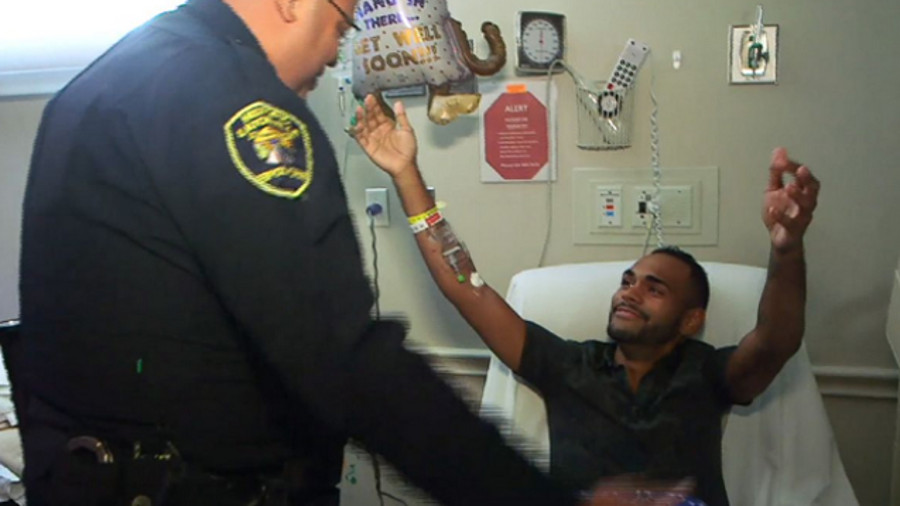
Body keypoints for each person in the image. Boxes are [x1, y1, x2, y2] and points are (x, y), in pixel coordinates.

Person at [16, 0, 695, 505]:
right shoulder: (238, 102)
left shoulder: (95, 89)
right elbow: (345, 359)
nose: (334, 57)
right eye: (340, 26)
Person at [352, 93, 821, 506]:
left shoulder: (709, 375)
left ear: (690, 320)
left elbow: (777, 340)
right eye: (628, 280)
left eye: (654, 288)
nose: (629, 292)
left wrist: (787, 247)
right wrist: (407, 175)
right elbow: (465, 286)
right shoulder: (569, 367)